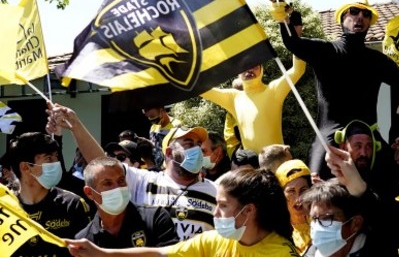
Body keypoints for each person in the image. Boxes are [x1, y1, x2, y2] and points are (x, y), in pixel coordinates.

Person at [275, 0, 399, 178]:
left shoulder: (378, 61)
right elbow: (293, 43)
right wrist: (283, 19)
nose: (360, 17)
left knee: (397, 181)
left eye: (366, 14)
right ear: (342, 19)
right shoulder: (326, 50)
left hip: (370, 138)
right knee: (315, 185)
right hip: (330, 136)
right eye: (354, 12)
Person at [47, 105, 217, 241]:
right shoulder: (144, 181)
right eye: (188, 144)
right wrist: (76, 126)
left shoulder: (217, 191)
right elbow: (100, 162)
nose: (196, 149)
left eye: (198, 145)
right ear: (169, 153)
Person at [65, 168, 300, 257]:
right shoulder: (215, 240)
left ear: (248, 210)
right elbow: (161, 254)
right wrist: (102, 254)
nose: (215, 213)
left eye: (223, 205)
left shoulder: (279, 253)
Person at [7, 132, 92, 257]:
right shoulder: (6, 209)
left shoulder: (73, 205)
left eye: (56, 156)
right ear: (25, 167)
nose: (56, 163)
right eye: (48, 158)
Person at [201, 54, 306, 154]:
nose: (249, 70)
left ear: (261, 69)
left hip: (278, 161)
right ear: (238, 72)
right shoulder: (233, 98)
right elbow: (202, 90)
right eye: (244, 67)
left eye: (254, 66)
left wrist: (294, 39)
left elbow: (297, 70)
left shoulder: (273, 90)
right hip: (253, 166)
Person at [76, 157, 178, 247]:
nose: (118, 188)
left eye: (121, 181)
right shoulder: (84, 240)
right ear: (89, 193)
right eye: (107, 183)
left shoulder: (156, 218)